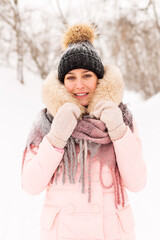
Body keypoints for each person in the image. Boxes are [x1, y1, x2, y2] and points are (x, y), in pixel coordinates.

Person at [22, 24, 147, 240]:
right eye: (71, 77)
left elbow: (137, 182)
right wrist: (56, 138)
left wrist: (118, 131)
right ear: (62, 82)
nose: (79, 85)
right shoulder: (46, 122)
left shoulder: (122, 117)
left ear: (98, 79)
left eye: (87, 75)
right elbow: (30, 185)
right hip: (63, 233)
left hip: (112, 233)